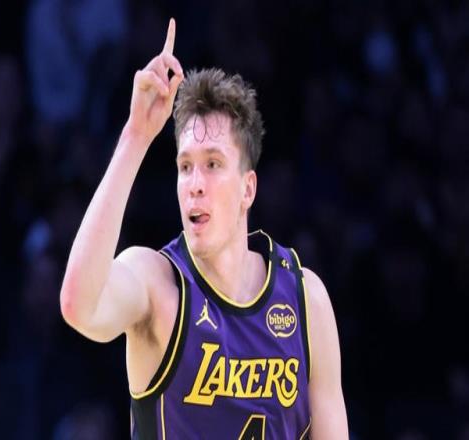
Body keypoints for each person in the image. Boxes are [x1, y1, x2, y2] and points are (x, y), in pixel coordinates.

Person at [60, 18, 348, 439]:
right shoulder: (158, 284)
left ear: (248, 188)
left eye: (213, 164)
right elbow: (78, 306)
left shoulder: (307, 300)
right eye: (185, 166)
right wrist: (136, 136)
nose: (195, 183)